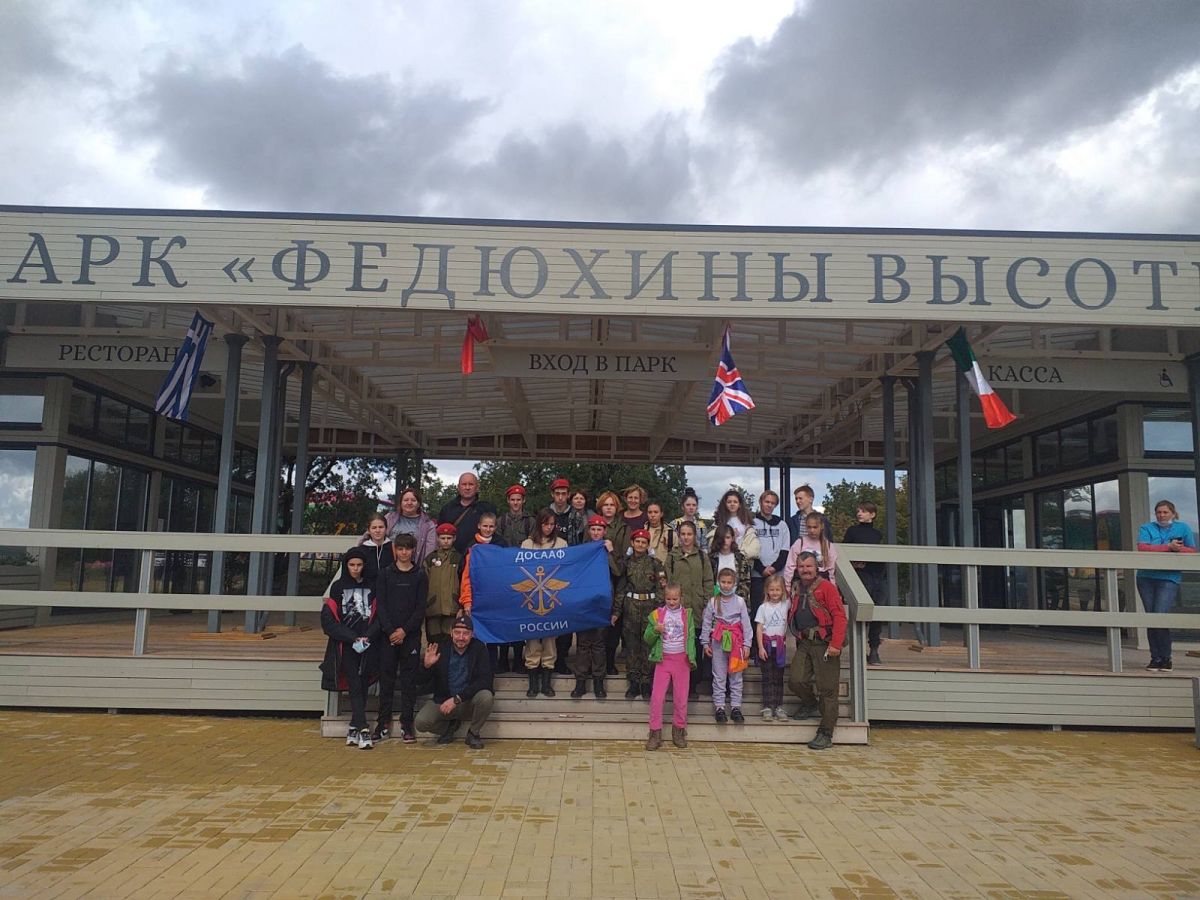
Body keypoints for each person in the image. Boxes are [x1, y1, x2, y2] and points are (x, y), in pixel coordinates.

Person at [320, 547, 379, 750]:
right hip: (346, 645)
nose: (355, 568)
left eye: (359, 565)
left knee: (363, 683)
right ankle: (363, 728)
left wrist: (368, 636)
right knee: (354, 682)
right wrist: (352, 637)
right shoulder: (337, 588)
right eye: (352, 565)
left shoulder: (372, 586)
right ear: (346, 566)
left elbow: (379, 615)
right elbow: (329, 620)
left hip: (368, 643)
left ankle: (354, 726)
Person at [788, 552, 847, 751]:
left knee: (828, 689)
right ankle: (810, 703)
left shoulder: (827, 587)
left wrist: (836, 644)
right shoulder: (797, 587)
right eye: (801, 566)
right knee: (796, 680)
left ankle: (826, 733)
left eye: (809, 566)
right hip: (805, 641)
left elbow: (839, 616)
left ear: (816, 568)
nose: (805, 570)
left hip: (825, 642)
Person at [374, 532, 427, 744]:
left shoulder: (420, 575)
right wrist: (391, 631)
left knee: (409, 681)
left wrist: (404, 631)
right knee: (386, 680)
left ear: (413, 551)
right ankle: (383, 723)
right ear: (395, 550)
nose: (404, 553)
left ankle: (407, 723)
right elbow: (381, 605)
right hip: (388, 636)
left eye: (408, 549)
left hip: (410, 636)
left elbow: (420, 608)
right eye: (401, 549)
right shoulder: (385, 574)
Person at [414, 613, 494, 750]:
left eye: (465, 633)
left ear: (472, 634)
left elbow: (485, 680)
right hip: (444, 700)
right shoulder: (441, 648)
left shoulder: (479, 648)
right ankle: (449, 727)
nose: (461, 637)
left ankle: (473, 733)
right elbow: (420, 681)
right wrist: (426, 666)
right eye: (457, 633)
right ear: (451, 633)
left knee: (486, 696)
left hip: (467, 700)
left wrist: (457, 699)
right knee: (421, 723)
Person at [1136, 499, 1197, 672]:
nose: (1161, 515)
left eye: (1165, 512)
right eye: (1159, 512)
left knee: (1160, 615)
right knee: (1151, 617)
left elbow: (1192, 550)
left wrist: (1178, 549)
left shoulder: (1183, 528)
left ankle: (1166, 657)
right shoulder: (1146, 528)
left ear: (1173, 513)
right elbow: (1143, 547)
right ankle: (1155, 658)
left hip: (1169, 577)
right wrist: (1168, 547)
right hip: (1146, 577)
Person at [613, 528, 666, 699]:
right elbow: (621, 589)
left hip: (650, 608)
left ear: (648, 545)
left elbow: (661, 588)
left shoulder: (655, 564)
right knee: (632, 645)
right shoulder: (626, 563)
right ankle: (633, 681)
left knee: (647, 645)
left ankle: (646, 681)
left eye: (644, 542)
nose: (640, 545)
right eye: (638, 542)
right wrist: (617, 611)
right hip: (631, 608)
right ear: (632, 543)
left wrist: (659, 610)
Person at [643, 583, 696, 750]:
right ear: (664, 598)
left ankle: (679, 731)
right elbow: (647, 638)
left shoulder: (687, 615)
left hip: (682, 660)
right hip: (663, 660)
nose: (672, 602)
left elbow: (691, 637)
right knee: (657, 697)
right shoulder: (657, 614)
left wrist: (692, 658)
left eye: (675, 599)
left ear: (681, 598)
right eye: (668, 599)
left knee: (681, 698)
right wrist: (655, 630)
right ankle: (654, 733)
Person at [521, 509, 568, 696]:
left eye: (552, 524)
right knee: (532, 639)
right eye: (545, 524)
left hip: (552, 596)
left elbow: (566, 569)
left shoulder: (561, 544)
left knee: (550, 639)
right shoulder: (527, 544)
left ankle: (547, 682)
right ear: (539, 524)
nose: (549, 527)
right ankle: (533, 682)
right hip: (532, 595)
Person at [458, 511, 511, 673]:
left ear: (495, 527)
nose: (488, 529)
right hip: (478, 599)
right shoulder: (471, 547)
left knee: (498, 632)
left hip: (498, 598)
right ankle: (481, 669)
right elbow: (465, 577)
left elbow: (508, 571)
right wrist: (467, 601)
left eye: (491, 526)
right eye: (485, 526)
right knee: (480, 634)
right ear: (479, 526)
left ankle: (499, 666)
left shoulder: (502, 544)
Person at [666, 520, 714, 699]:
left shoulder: (702, 556)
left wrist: (707, 604)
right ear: (679, 535)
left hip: (697, 609)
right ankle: (679, 684)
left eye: (689, 534)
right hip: (677, 611)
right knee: (679, 648)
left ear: (695, 536)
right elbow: (667, 582)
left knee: (695, 648)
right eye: (683, 534)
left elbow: (708, 581)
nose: (686, 538)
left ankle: (693, 685)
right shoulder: (672, 557)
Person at [701, 567, 752, 724]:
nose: (726, 585)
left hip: (736, 642)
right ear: (718, 583)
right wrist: (705, 643)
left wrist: (747, 644)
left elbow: (746, 624)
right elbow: (707, 623)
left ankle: (736, 707)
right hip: (718, 641)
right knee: (719, 675)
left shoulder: (740, 602)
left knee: (736, 675)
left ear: (734, 583)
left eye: (729, 582)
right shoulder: (713, 602)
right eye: (723, 582)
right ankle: (720, 707)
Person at [572, 514, 614, 699]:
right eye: (593, 529)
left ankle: (598, 682)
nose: (596, 532)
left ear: (604, 531)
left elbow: (618, 571)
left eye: (599, 529)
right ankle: (580, 682)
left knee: (598, 645)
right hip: (584, 602)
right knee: (582, 644)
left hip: (602, 603)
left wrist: (610, 552)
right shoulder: (582, 550)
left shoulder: (609, 548)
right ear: (589, 531)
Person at [842, 501, 885, 665]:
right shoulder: (852, 531)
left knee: (877, 614)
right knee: (860, 613)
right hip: (860, 576)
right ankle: (859, 651)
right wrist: (854, 564)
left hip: (877, 576)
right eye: (859, 510)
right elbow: (844, 552)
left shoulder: (878, 534)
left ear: (872, 514)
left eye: (864, 511)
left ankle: (874, 650)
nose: (859, 513)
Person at [596, 490, 628, 675]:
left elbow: (624, 557)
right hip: (597, 578)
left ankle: (610, 661)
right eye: (605, 505)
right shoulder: (593, 525)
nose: (608, 508)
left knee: (614, 623)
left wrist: (611, 551)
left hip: (617, 578)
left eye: (612, 505)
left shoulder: (623, 528)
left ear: (617, 508)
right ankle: (597, 663)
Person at [751, 490, 790, 626]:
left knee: (776, 611)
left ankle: (776, 638)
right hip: (757, 575)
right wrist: (762, 569)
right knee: (757, 611)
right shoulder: (751, 523)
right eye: (767, 502)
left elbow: (785, 550)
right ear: (761, 502)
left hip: (777, 575)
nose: (769, 505)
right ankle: (757, 639)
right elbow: (749, 550)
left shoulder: (782, 525)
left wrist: (774, 568)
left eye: (773, 503)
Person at [755, 574, 790, 719]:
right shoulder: (763, 608)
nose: (775, 593)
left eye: (778, 589)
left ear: (783, 590)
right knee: (768, 677)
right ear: (767, 591)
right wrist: (760, 647)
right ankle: (768, 706)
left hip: (780, 647)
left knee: (779, 677)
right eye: (772, 590)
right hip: (767, 645)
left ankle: (779, 706)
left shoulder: (786, 605)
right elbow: (759, 628)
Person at [422, 523, 463, 646]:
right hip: (433, 606)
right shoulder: (430, 559)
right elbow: (423, 582)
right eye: (443, 538)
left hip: (452, 606)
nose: (446, 541)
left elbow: (464, 582)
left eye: (449, 538)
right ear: (437, 538)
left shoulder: (459, 558)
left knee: (450, 640)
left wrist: (461, 605)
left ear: (454, 538)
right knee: (433, 640)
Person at [437, 472, 496, 554]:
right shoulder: (447, 509)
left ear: (477, 487)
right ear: (458, 487)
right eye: (464, 484)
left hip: (478, 556)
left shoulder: (486, 508)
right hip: (452, 557)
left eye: (471, 484)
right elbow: (439, 534)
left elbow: (494, 534)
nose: (467, 488)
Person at [381, 488, 437, 564]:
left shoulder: (428, 525)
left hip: (413, 566)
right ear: (401, 502)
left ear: (419, 504)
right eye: (406, 500)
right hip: (386, 564)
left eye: (413, 500)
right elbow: (372, 535)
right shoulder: (389, 518)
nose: (409, 503)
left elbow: (430, 551)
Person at [783, 512, 839, 586]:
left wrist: (833, 586)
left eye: (815, 527)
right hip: (802, 582)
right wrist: (787, 585)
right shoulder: (800, 543)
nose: (812, 530)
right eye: (809, 527)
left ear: (821, 526)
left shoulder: (828, 546)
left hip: (822, 583)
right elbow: (790, 566)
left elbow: (831, 570)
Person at [710, 489, 761, 563]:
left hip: (742, 559)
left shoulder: (746, 522)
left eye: (735, 502)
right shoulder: (718, 522)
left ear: (740, 504)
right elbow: (713, 542)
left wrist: (741, 555)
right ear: (725, 504)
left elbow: (752, 542)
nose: (732, 504)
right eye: (729, 502)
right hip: (723, 557)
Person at [709, 524, 752, 602]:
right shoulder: (711, 558)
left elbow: (746, 581)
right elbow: (709, 582)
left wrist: (740, 600)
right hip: (716, 600)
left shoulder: (740, 558)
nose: (725, 541)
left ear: (732, 538)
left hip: (736, 600)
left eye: (727, 537)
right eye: (722, 538)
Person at [358, 513, 396, 586]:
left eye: (381, 527)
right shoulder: (361, 550)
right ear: (368, 530)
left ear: (386, 529)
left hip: (389, 589)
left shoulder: (393, 548)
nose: (377, 530)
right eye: (374, 528)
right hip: (367, 589)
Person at [668, 487, 709, 553]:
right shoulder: (674, 524)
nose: (691, 507)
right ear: (682, 506)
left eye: (694, 505)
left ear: (697, 507)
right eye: (688, 505)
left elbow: (704, 547)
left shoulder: (701, 526)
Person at [497, 484, 535, 548]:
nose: (515, 503)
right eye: (512, 500)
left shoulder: (531, 521)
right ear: (508, 500)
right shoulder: (501, 521)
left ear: (523, 500)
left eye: (518, 500)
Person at [547, 478, 573, 544]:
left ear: (568, 495)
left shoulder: (575, 515)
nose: (560, 498)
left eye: (563, 494)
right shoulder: (545, 514)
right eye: (557, 494)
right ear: (552, 494)